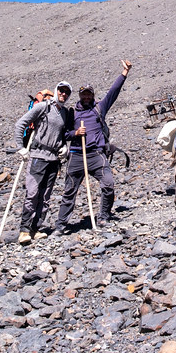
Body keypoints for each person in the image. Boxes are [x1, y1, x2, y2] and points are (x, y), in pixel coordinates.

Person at [55, 59, 132, 231]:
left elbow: (113, 92)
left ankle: (103, 217)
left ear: (93, 95)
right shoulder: (71, 112)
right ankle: (61, 225)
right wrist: (75, 133)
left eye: (89, 94)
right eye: (84, 94)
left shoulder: (99, 108)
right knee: (69, 191)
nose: (87, 97)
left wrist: (124, 73)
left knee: (108, 183)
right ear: (80, 96)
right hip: (76, 155)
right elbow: (64, 134)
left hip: (96, 154)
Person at [13, 82, 74, 244]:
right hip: (38, 156)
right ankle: (24, 230)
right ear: (56, 91)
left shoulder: (65, 113)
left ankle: (35, 228)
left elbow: (62, 134)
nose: (63, 94)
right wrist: (20, 147)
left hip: (54, 159)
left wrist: (64, 148)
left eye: (67, 92)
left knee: (45, 196)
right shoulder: (44, 107)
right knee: (32, 193)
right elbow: (21, 124)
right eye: (61, 90)